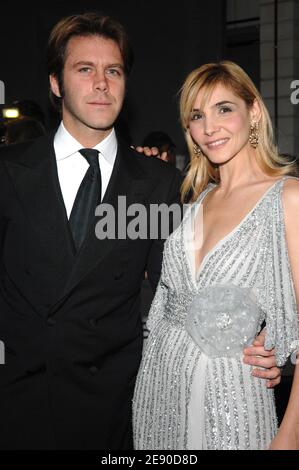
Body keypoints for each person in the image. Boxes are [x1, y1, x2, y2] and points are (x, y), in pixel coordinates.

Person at [0, 13, 280, 449]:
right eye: (84, 69)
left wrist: (257, 336)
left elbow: (178, 288)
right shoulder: (9, 172)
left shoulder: (156, 182)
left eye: (112, 70)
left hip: (115, 408)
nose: (101, 83)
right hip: (20, 405)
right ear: (56, 83)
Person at [133, 60, 299, 450]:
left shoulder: (287, 198)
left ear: (253, 112)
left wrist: (289, 436)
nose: (209, 127)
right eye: (196, 115)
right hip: (160, 391)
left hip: (231, 397)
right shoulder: (197, 200)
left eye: (224, 108)